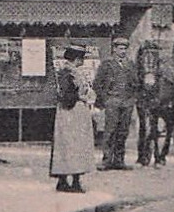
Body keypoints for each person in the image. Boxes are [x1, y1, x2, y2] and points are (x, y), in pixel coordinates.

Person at [50, 47, 95, 193]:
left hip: (76, 113)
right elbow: (66, 96)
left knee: (75, 145)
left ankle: (73, 179)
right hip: (70, 113)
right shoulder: (67, 73)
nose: (82, 61)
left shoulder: (73, 72)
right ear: (76, 59)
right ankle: (67, 180)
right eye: (81, 58)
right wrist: (81, 96)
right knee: (70, 145)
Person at [93, 36, 141, 170]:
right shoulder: (106, 64)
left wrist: (133, 97)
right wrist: (106, 99)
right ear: (114, 49)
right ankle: (107, 160)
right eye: (120, 49)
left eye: (125, 49)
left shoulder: (130, 65)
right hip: (112, 101)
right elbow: (97, 83)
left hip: (127, 103)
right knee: (110, 131)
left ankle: (119, 160)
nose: (123, 51)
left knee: (123, 132)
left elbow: (136, 83)